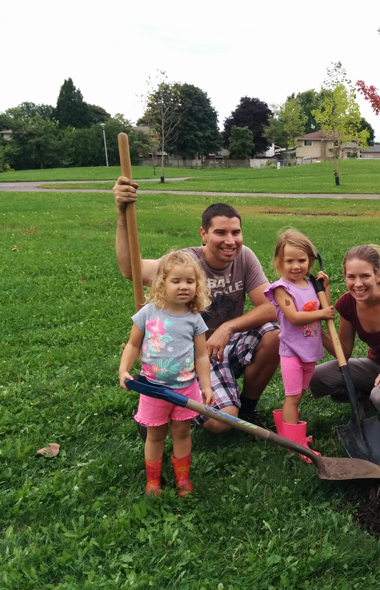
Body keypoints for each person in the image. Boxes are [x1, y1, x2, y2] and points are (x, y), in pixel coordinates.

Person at [113, 177, 280, 434]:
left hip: (226, 346)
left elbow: (271, 308)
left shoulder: (244, 256)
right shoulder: (185, 263)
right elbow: (129, 270)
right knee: (223, 423)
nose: (230, 240)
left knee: (274, 334)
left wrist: (227, 328)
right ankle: (169, 398)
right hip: (189, 357)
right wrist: (122, 214)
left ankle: (247, 407)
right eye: (220, 232)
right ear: (203, 233)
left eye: (235, 232)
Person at [119, 251, 214, 496]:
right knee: (155, 435)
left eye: (190, 282)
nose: (184, 287)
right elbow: (133, 345)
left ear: (197, 285)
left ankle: (182, 478)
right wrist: (124, 369)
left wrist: (206, 386)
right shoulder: (148, 313)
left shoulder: (195, 319)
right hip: (154, 388)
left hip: (185, 387)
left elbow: (202, 356)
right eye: (176, 281)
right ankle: (153, 481)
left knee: (182, 432)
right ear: (162, 283)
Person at [309, 245, 380, 439]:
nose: (358, 284)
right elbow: (343, 353)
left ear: (378, 275)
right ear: (344, 277)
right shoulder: (347, 303)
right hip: (375, 366)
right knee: (317, 377)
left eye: (365, 276)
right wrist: (316, 327)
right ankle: (364, 399)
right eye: (351, 277)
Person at [264, 230, 334, 461]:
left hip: (309, 351)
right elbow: (293, 317)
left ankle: (288, 433)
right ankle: (296, 445)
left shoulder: (310, 284)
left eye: (301, 261)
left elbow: (326, 307)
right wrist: (322, 313)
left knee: (299, 395)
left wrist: (325, 288)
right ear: (279, 261)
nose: (296, 266)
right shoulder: (282, 288)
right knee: (292, 397)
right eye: (289, 261)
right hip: (292, 351)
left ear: (311, 261)